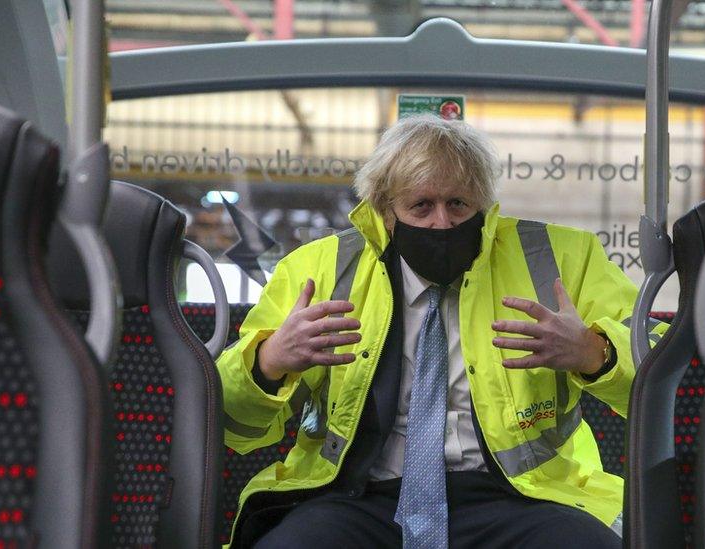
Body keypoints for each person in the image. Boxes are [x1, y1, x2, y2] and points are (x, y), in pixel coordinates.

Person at [217, 114, 658, 548]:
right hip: (357, 495)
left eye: (458, 204)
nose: (442, 223)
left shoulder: (563, 260)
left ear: (483, 206)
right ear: (387, 213)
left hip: (525, 495)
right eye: (421, 206)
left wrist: (596, 354)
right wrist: (269, 362)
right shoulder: (316, 271)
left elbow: (660, 373)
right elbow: (230, 421)